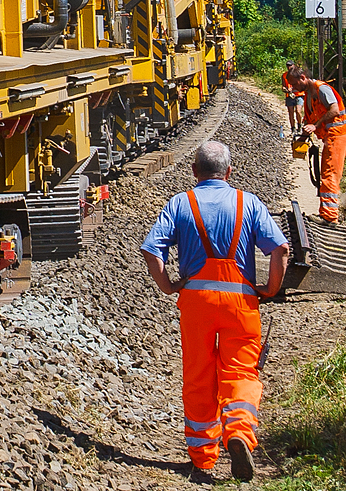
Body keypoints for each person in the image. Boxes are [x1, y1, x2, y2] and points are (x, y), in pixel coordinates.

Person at [141, 141, 290, 482]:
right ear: (229, 172)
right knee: (242, 372)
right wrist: (270, 288)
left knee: (198, 376)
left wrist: (168, 285)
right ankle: (238, 431)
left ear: (194, 172)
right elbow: (280, 249)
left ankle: (203, 458)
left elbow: (152, 251)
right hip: (240, 302)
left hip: (196, 304)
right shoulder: (246, 202)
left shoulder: (181, 203)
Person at [287, 65, 346, 223]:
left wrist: (315, 126)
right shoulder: (309, 93)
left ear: (303, 78)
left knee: (329, 174)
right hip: (331, 136)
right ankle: (326, 213)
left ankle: (329, 217)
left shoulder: (321, 89)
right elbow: (312, 118)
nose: (293, 88)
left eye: (294, 84)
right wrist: (302, 138)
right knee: (326, 173)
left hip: (339, 134)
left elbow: (334, 110)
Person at [281, 61, 304, 133]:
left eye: (290, 65)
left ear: (293, 65)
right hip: (289, 95)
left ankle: (299, 125)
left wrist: (293, 88)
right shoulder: (284, 75)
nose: (289, 67)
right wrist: (285, 89)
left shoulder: (298, 74)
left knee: (298, 111)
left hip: (299, 94)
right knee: (290, 112)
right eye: (287, 65)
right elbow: (283, 86)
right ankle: (293, 128)